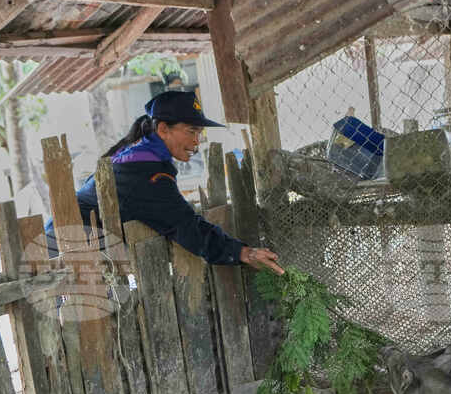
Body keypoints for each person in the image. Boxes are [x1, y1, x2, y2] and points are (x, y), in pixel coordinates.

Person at [45, 91, 284, 274]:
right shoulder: (148, 174)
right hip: (65, 256)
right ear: (162, 128)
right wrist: (244, 253)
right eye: (191, 132)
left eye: (199, 133)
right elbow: (186, 226)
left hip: (69, 246)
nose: (197, 142)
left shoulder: (137, 155)